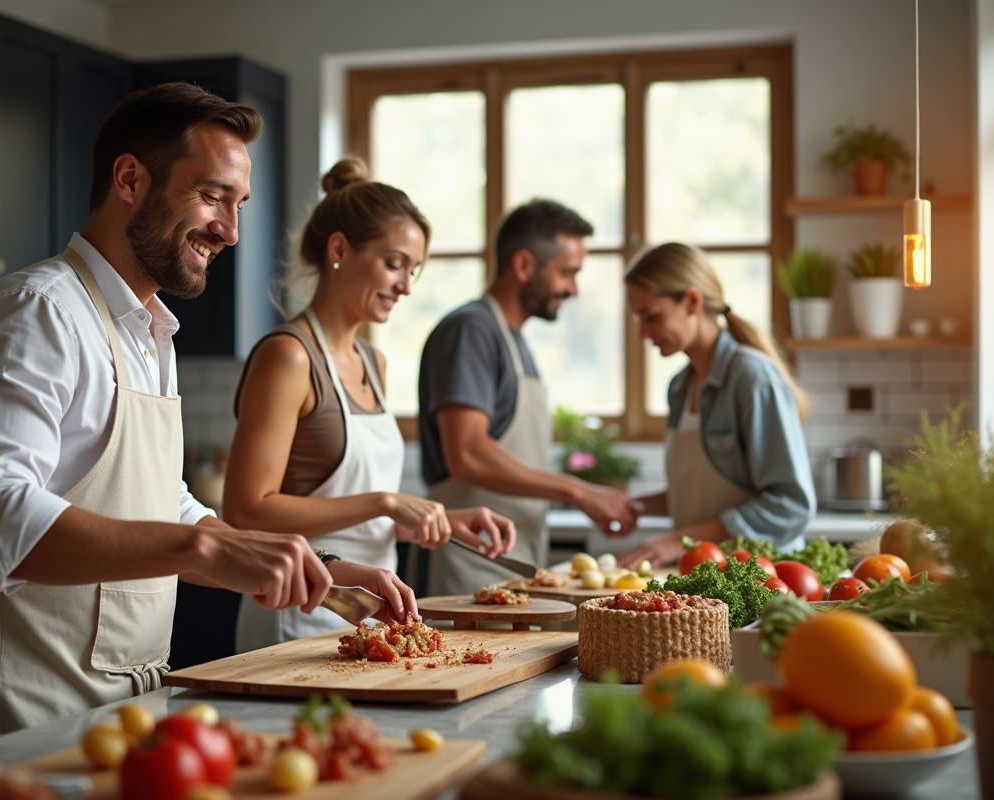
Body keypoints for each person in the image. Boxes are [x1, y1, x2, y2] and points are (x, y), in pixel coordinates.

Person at [0, 84, 396, 760]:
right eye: (213, 196)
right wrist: (207, 551)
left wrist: (315, 566)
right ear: (130, 178)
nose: (230, 230)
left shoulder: (149, 331)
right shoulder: (37, 311)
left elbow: (167, 504)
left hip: (118, 720)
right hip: (13, 725)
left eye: (238, 204)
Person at [224, 158, 517, 652]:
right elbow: (246, 511)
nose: (405, 285)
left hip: (374, 617)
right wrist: (387, 501)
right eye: (394, 263)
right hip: (299, 614)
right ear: (339, 249)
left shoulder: (373, 362)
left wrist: (441, 519)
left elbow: (354, 508)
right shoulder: (289, 356)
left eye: (413, 270)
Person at [418, 199, 643, 597]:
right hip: (469, 566)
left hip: (510, 563)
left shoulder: (515, 341)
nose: (573, 289)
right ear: (523, 265)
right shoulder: (471, 331)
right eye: (567, 273)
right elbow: (466, 453)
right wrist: (578, 490)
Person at [617, 242, 816, 568]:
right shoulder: (680, 387)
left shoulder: (751, 376)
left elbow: (790, 505)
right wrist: (631, 506)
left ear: (692, 301)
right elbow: (701, 499)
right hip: (706, 573)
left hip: (762, 579)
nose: (642, 333)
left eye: (651, 316)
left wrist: (677, 541)